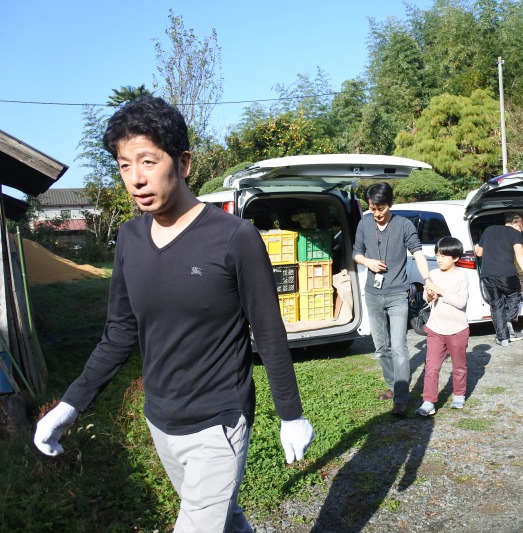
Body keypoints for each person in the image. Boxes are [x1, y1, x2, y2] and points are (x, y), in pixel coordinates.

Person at [33, 95, 314, 531]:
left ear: (182, 163)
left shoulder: (234, 238)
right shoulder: (129, 238)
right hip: (161, 420)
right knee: (226, 517)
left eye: (147, 161)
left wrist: (290, 414)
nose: (135, 179)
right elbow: (120, 334)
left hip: (218, 422)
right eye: (125, 165)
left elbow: (268, 331)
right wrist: (70, 405)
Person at [353, 182, 431, 417]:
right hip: (373, 294)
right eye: (372, 208)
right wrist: (368, 262)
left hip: (398, 294)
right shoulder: (364, 222)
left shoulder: (404, 225)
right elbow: (356, 252)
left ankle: (400, 397)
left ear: (390, 204)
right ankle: (391, 383)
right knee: (380, 347)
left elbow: (417, 252)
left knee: (398, 346)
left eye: (381, 208)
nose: (377, 213)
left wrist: (428, 279)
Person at [415, 237, 470, 416]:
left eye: (444, 256)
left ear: (455, 257)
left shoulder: (462, 276)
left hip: (457, 329)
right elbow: (427, 299)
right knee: (431, 366)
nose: (439, 259)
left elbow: (461, 302)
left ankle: (459, 395)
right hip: (436, 328)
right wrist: (430, 295)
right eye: (438, 255)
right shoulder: (433, 274)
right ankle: (428, 402)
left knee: (459, 365)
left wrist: (441, 291)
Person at [474, 213, 523, 346]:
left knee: (496, 305)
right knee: (513, 296)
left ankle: (503, 338)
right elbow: (519, 254)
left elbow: (479, 253)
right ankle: (508, 324)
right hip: (507, 274)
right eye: (522, 228)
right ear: (517, 224)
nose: (521, 231)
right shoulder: (516, 233)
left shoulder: (488, 230)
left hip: (487, 275)